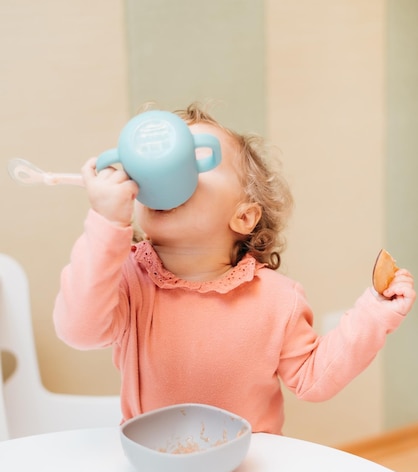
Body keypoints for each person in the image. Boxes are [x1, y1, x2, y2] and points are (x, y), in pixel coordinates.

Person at [53, 103, 416, 435]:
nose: (172, 168)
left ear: (244, 215)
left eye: (193, 157)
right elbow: (79, 331)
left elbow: (313, 378)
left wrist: (375, 313)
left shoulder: (276, 299)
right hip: (157, 466)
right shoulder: (130, 280)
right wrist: (106, 223)